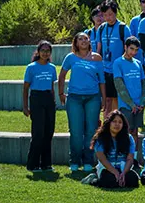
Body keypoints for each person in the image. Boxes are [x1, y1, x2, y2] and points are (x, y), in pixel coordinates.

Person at [60, 32, 104, 172]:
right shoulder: (70, 57)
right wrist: (61, 93)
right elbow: (62, 75)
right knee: (76, 131)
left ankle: (88, 161)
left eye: (86, 38)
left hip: (93, 98)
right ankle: (74, 160)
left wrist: (103, 98)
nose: (84, 41)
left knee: (91, 131)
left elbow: (102, 80)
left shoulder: (96, 58)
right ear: (76, 42)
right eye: (80, 39)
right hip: (74, 98)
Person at [24, 41, 58, 172]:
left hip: (48, 99)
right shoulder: (31, 67)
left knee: (49, 131)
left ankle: (46, 163)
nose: (45, 53)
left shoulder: (52, 67)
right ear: (38, 52)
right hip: (36, 99)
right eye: (43, 50)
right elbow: (26, 88)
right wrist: (25, 106)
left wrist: (53, 101)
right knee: (38, 132)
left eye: (48, 51)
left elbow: (51, 87)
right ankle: (33, 164)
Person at [95, 0, 127, 116]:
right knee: (107, 99)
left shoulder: (123, 28)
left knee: (117, 99)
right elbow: (99, 49)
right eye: (105, 15)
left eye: (110, 14)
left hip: (118, 70)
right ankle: (106, 125)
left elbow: (127, 50)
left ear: (115, 13)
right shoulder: (102, 28)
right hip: (105, 69)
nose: (108, 17)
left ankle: (117, 123)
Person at [91, 111, 139, 188]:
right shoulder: (100, 138)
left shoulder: (129, 138)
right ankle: (95, 179)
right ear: (109, 123)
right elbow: (102, 159)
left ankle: (120, 179)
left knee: (133, 180)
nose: (117, 124)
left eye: (120, 122)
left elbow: (130, 159)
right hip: (107, 168)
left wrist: (123, 173)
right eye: (114, 121)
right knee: (110, 180)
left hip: (123, 167)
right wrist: (115, 172)